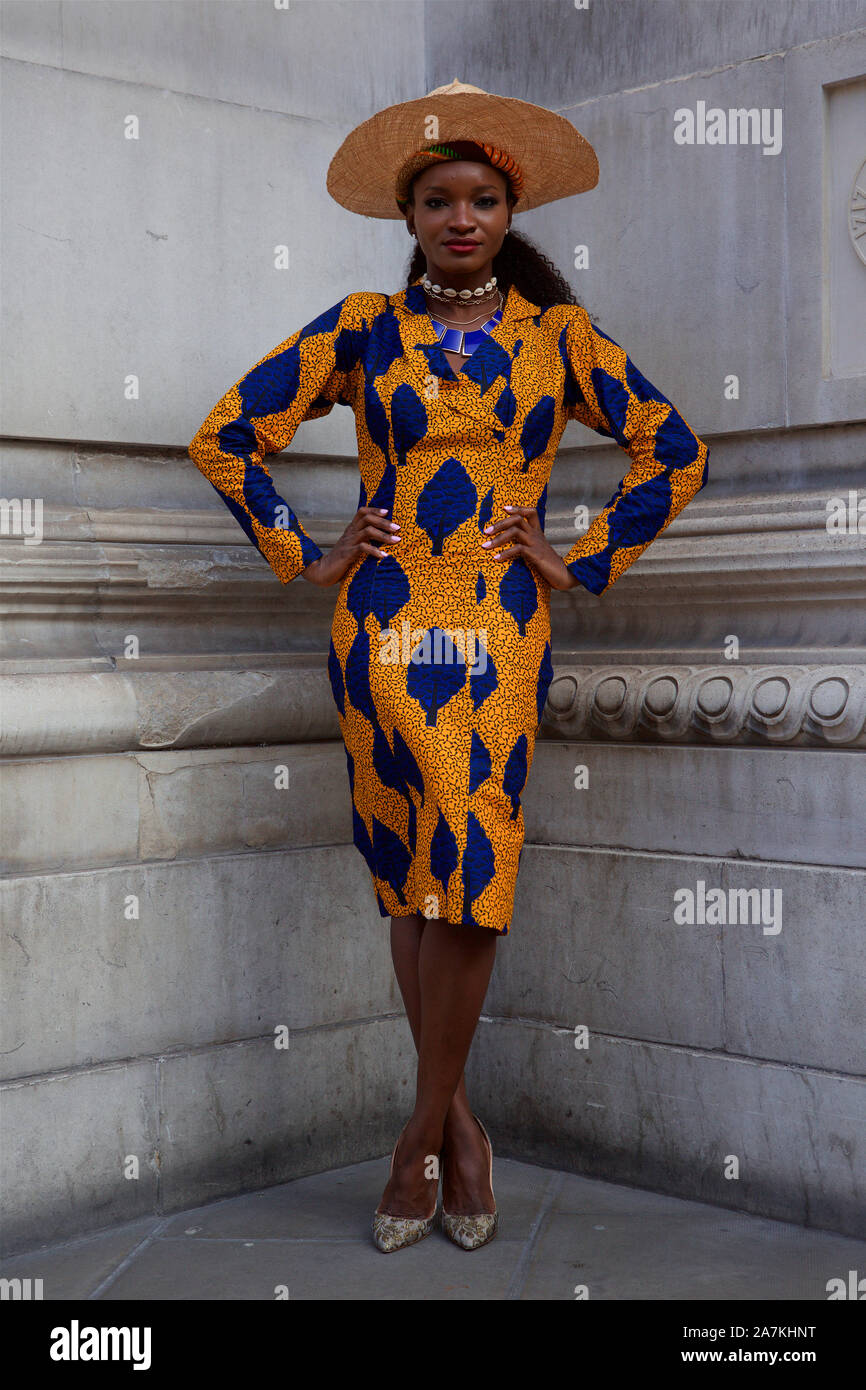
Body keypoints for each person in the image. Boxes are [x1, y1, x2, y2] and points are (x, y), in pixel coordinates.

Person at [187, 80, 710, 1255]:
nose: (459, 216)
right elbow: (225, 432)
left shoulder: (557, 338)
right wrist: (303, 552)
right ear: (409, 214)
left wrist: (577, 560)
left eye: (479, 198)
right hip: (377, 626)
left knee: (470, 864)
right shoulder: (361, 328)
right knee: (412, 870)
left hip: (496, 632)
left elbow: (672, 448)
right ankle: (460, 1126)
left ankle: (413, 1141)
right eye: (436, 199)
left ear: (508, 205)